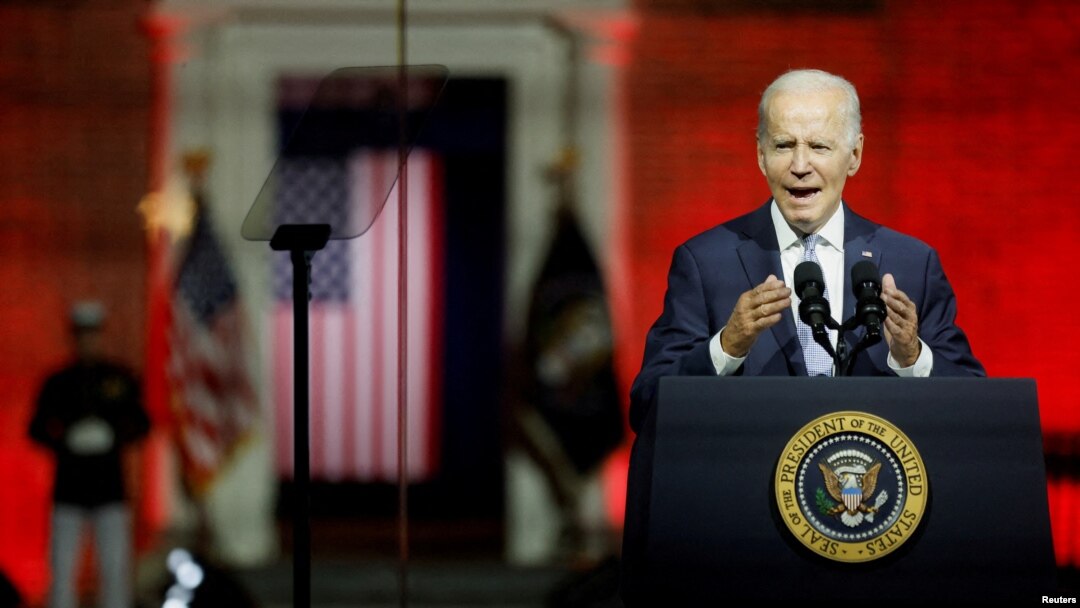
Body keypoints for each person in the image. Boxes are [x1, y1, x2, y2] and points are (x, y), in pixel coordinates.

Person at [629, 69, 984, 432]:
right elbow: (648, 404)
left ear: (855, 155)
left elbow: (977, 410)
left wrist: (913, 358)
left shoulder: (912, 264)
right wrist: (727, 346)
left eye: (819, 147)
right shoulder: (705, 262)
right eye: (784, 145)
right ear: (760, 154)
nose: (800, 166)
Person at [29, 301, 150, 608]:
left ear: (100, 336)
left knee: (114, 570)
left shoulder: (119, 378)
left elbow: (141, 423)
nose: (88, 342)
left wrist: (113, 435)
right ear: (74, 338)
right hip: (69, 489)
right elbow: (37, 428)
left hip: (109, 488)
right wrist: (65, 440)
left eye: (93, 335)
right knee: (62, 568)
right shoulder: (58, 382)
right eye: (82, 335)